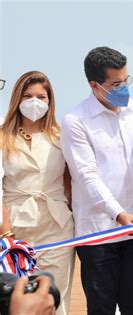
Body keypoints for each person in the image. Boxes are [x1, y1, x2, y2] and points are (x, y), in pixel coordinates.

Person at [61, 47, 133, 314]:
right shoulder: (75, 121)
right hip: (99, 233)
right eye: (116, 84)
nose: (124, 88)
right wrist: (118, 213)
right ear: (94, 85)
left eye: (126, 80)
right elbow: (86, 175)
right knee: (102, 308)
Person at [1, 71, 75, 315]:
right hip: (14, 227)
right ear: (17, 99)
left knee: (54, 295)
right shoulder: (3, 133)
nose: (35, 102)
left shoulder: (62, 134)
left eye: (41, 97)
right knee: (14, 296)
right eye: (28, 96)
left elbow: (71, 181)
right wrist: (6, 232)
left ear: (50, 100)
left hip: (56, 226)